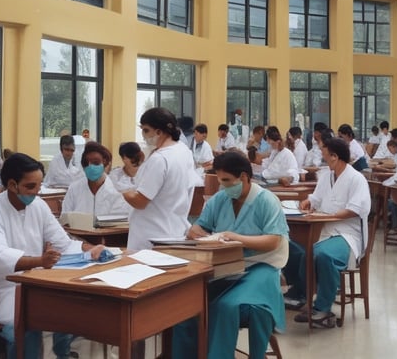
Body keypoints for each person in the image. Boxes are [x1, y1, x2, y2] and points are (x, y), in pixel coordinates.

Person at [0, 153, 105, 359]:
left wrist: (90, 249)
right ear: (12, 185)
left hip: (33, 285)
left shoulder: (38, 205)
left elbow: (64, 244)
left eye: (39, 185)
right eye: (31, 186)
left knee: (74, 305)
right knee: (28, 322)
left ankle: (64, 354)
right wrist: (40, 261)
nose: (37, 191)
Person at [173, 152, 289, 359]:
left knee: (227, 306)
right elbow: (198, 227)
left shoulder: (266, 201)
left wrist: (235, 237)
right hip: (225, 267)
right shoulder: (220, 198)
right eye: (220, 181)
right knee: (184, 306)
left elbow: (273, 240)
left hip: (261, 266)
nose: (223, 186)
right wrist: (198, 232)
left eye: (227, 181)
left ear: (244, 177)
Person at [287, 138, 371, 327]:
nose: (322, 156)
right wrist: (308, 202)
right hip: (324, 231)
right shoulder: (326, 176)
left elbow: (356, 209)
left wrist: (331, 216)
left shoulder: (356, 179)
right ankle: (303, 295)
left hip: (348, 235)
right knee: (298, 250)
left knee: (323, 255)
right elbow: (316, 198)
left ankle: (323, 309)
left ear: (334, 156)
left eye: (325, 153)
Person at [123, 107, 195, 251]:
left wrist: (123, 191)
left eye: (146, 130)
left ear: (159, 131)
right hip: (174, 230)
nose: (143, 135)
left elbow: (140, 201)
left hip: (152, 235)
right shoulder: (183, 151)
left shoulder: (160, 159)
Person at [61, 142, 130, 218]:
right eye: (86, 164)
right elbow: (65, 218)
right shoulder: (74, 189)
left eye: (96, 162)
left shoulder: (116, 191)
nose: (91, 167)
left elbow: (117, 223)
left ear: (104, 162)